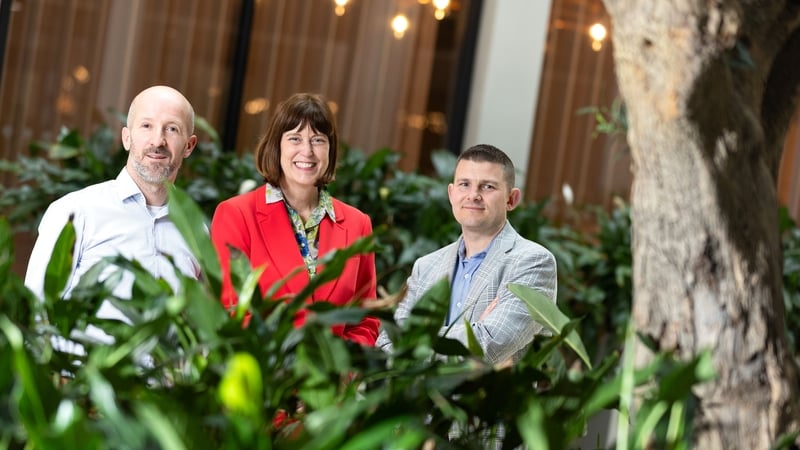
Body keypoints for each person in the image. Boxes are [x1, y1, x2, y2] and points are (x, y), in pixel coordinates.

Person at [24, 85, 201, 343]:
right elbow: (35, 313)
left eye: (172, 129)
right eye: (146, 126)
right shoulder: (75, 212)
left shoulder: (196, 233)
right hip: (82, 380)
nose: (157, 141)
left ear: (189, 145)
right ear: (126, 138)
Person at [210, 92, 379, 346]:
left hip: (334, 382)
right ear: (276, 145)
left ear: (330, 149)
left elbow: (366, 318)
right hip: (266, 377)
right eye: (295, 138)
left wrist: (346, 366)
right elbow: (231, 309)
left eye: (318, 140)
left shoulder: (358, 224)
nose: (307, 151)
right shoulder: (237, 215)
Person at [375, 144, 557, 364]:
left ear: (511, 199)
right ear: (452, 194)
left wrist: (413, 341)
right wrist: (471, 331)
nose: (473, 195)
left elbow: (487, 346)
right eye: (464, 184)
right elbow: (386, 343)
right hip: (418, 397)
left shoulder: (532, 262)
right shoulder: (426, 266)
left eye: (487, 187)